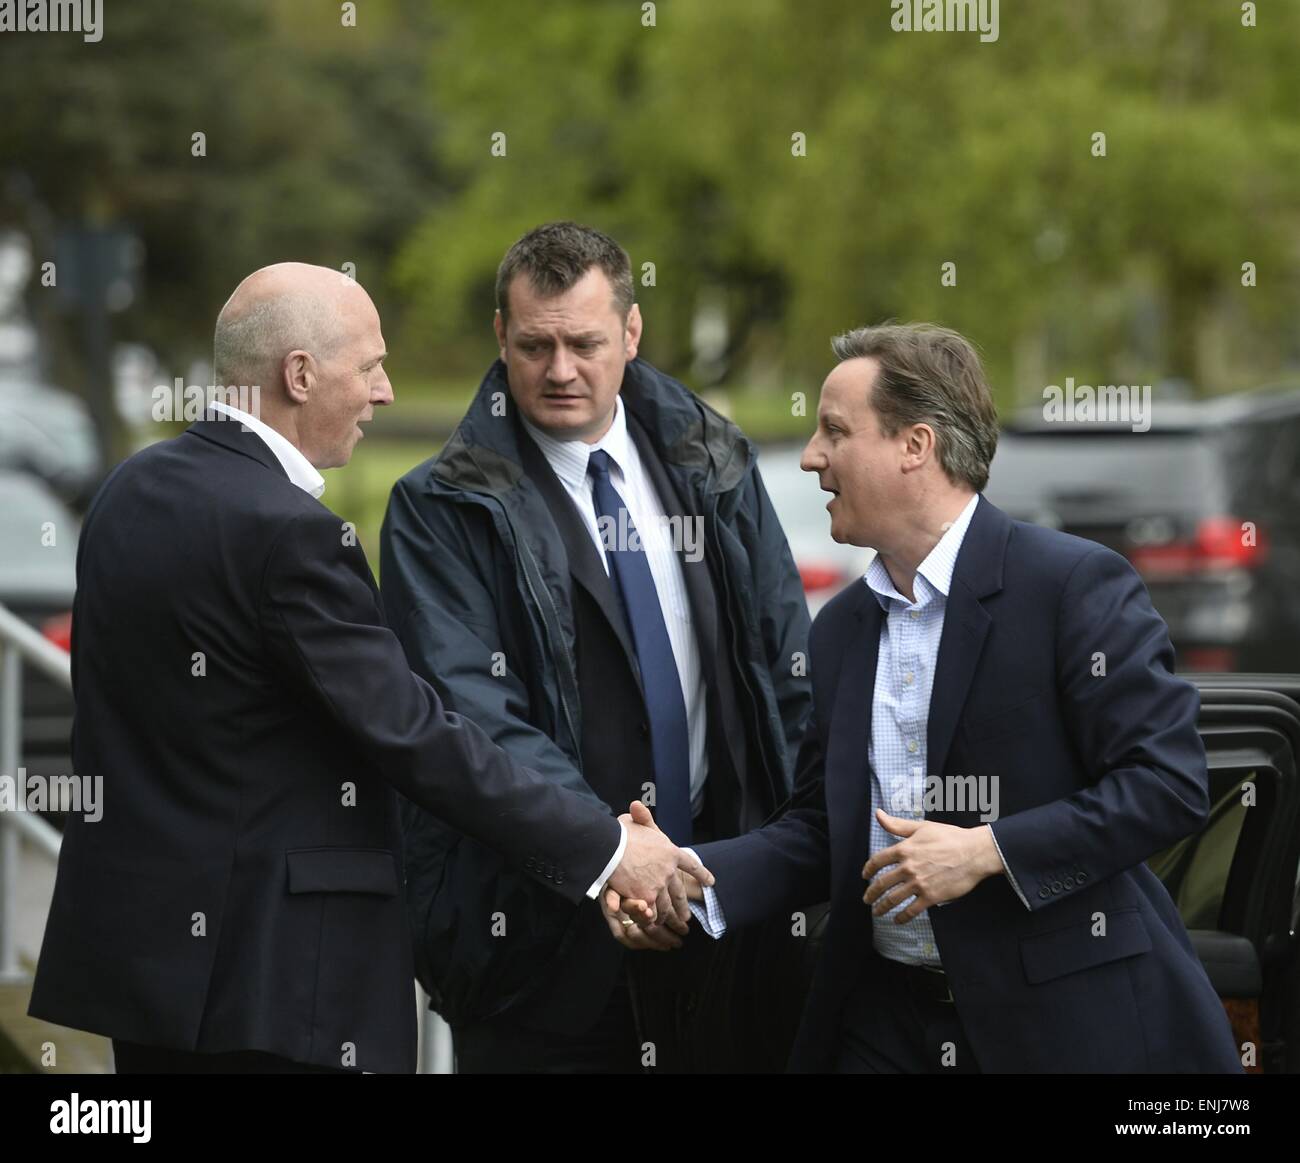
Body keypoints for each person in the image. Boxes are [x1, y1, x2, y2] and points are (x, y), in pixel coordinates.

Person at [27, 262, 705, 1074]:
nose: (384, 392)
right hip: (278, 986)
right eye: (371, 366)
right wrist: (604, 849)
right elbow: (416, 734)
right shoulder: (292, 534)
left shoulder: (126, 493)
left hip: (146, 976)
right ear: (300, 375)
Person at [626, 322, 1242, 1073]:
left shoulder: (1074, 587)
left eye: (834, 431)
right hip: (882, 1026)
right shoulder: (841, 630)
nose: (813, 455)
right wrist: (690, 875)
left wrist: (986, 851)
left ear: (914, 446)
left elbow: (1168, 785)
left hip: (1056, 1028)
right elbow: (824, 827)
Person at [380, 222, 812, 1073]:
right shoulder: (439, 509)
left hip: (725, 928)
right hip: (539, 951)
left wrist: (785, 869)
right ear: (501, 336)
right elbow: (475, 723)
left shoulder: (715, 460)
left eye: (584, 342)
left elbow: (784, 670)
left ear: (632, 332)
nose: (561, 369)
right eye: (535, 344)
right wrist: (617, 860)